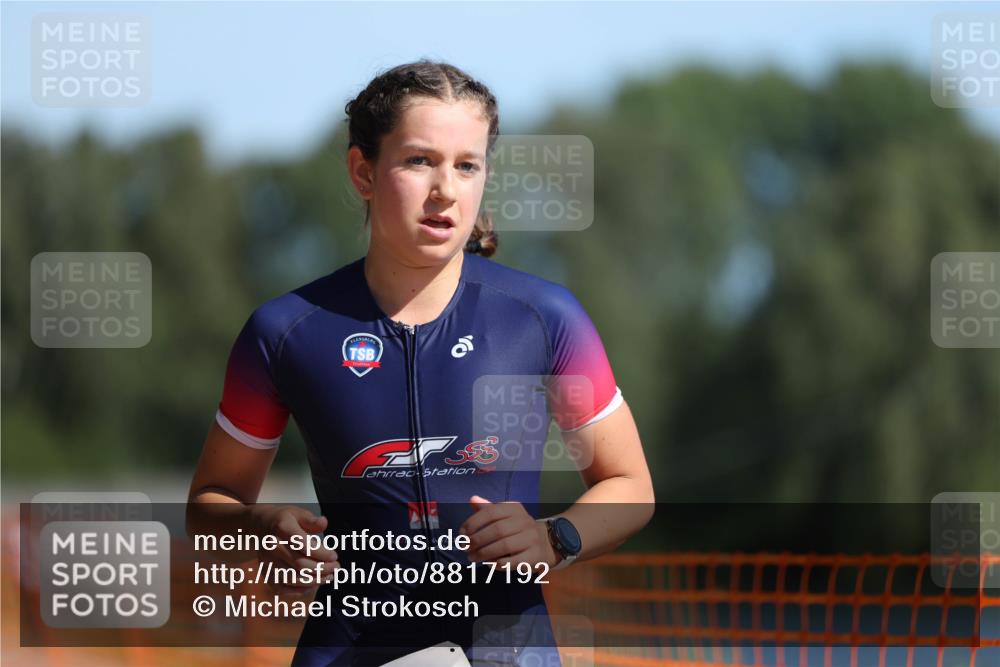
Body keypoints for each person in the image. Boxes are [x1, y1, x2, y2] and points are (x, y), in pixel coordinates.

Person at [186, 60, 655, 666]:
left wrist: (554, 538)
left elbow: (630, 486)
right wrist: (263, 526)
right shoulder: (285, 330)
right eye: (418, 160)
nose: (446, 189)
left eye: (467, 165)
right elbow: (210, 504)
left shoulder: (544, 317)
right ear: (363, 172)